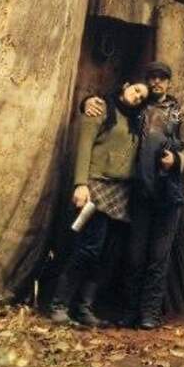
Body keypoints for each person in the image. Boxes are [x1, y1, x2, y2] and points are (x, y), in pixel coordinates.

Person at [84, 61, 184, 329]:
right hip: (139, 193)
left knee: (158, 257)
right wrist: (86, 102)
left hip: (168, 195)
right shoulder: (138, 107)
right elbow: (114, 104)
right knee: (134, 256)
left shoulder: (178, 112)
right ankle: (130, 310)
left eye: (162, 78)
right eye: (152, 77)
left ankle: (150, 313)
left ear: (168, 82)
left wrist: (176, 159)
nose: (156, 82)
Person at [48, 80, 149, 326]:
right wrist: (80, 184)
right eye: (136, 90)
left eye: (142, 97)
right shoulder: (100, 108)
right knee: (89, 248)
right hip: (96, 186)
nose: (138, 96)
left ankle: (84, 308)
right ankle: (59, 305)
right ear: (125, 86)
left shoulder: (137, 121)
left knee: (107, 255)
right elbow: (84, 146)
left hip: (121, 194)